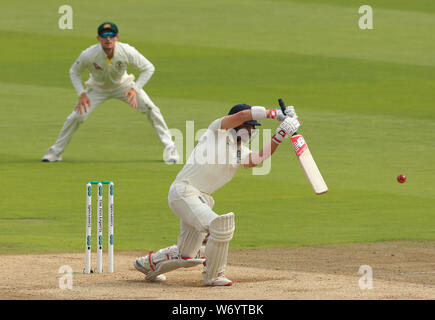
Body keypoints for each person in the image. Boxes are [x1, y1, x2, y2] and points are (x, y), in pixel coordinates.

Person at [134, 103, 300, 286]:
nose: (252, 131)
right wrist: (274, 113)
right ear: (237, 124)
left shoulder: (240, 151)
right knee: (220, 226)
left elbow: (257, 159)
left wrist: (281, 134)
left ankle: (148, 264)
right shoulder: (217, 131)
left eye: (253, 128)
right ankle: (214, 276)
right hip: (184, 191)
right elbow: (243, 114)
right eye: (249, 126)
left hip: (200, 198)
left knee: (187, 254)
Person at [42, 22, 179, 163]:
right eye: (104, 35)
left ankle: (170, 148)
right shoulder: (89, 54)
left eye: (111, 35)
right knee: (76, 116)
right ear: (98, 38)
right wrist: (81, 93)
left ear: (117, 37)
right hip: (97, 88)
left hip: (124, 86)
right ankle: (55, 152)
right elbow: (74, 72)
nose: (108, 39)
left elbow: (148, 68)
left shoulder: (127, 51)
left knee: (151, 108)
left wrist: (135, 89)